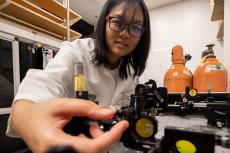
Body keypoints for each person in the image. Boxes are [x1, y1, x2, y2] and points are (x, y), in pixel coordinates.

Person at [6, 0, 151, 152]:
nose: (125, 33)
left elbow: (124, 106)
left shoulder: (130, 70)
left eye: (135, 27)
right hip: (68, 137)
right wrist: (31, 119)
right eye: (117, 22)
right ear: (104, 21)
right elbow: (37, 91)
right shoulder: (76, 51)